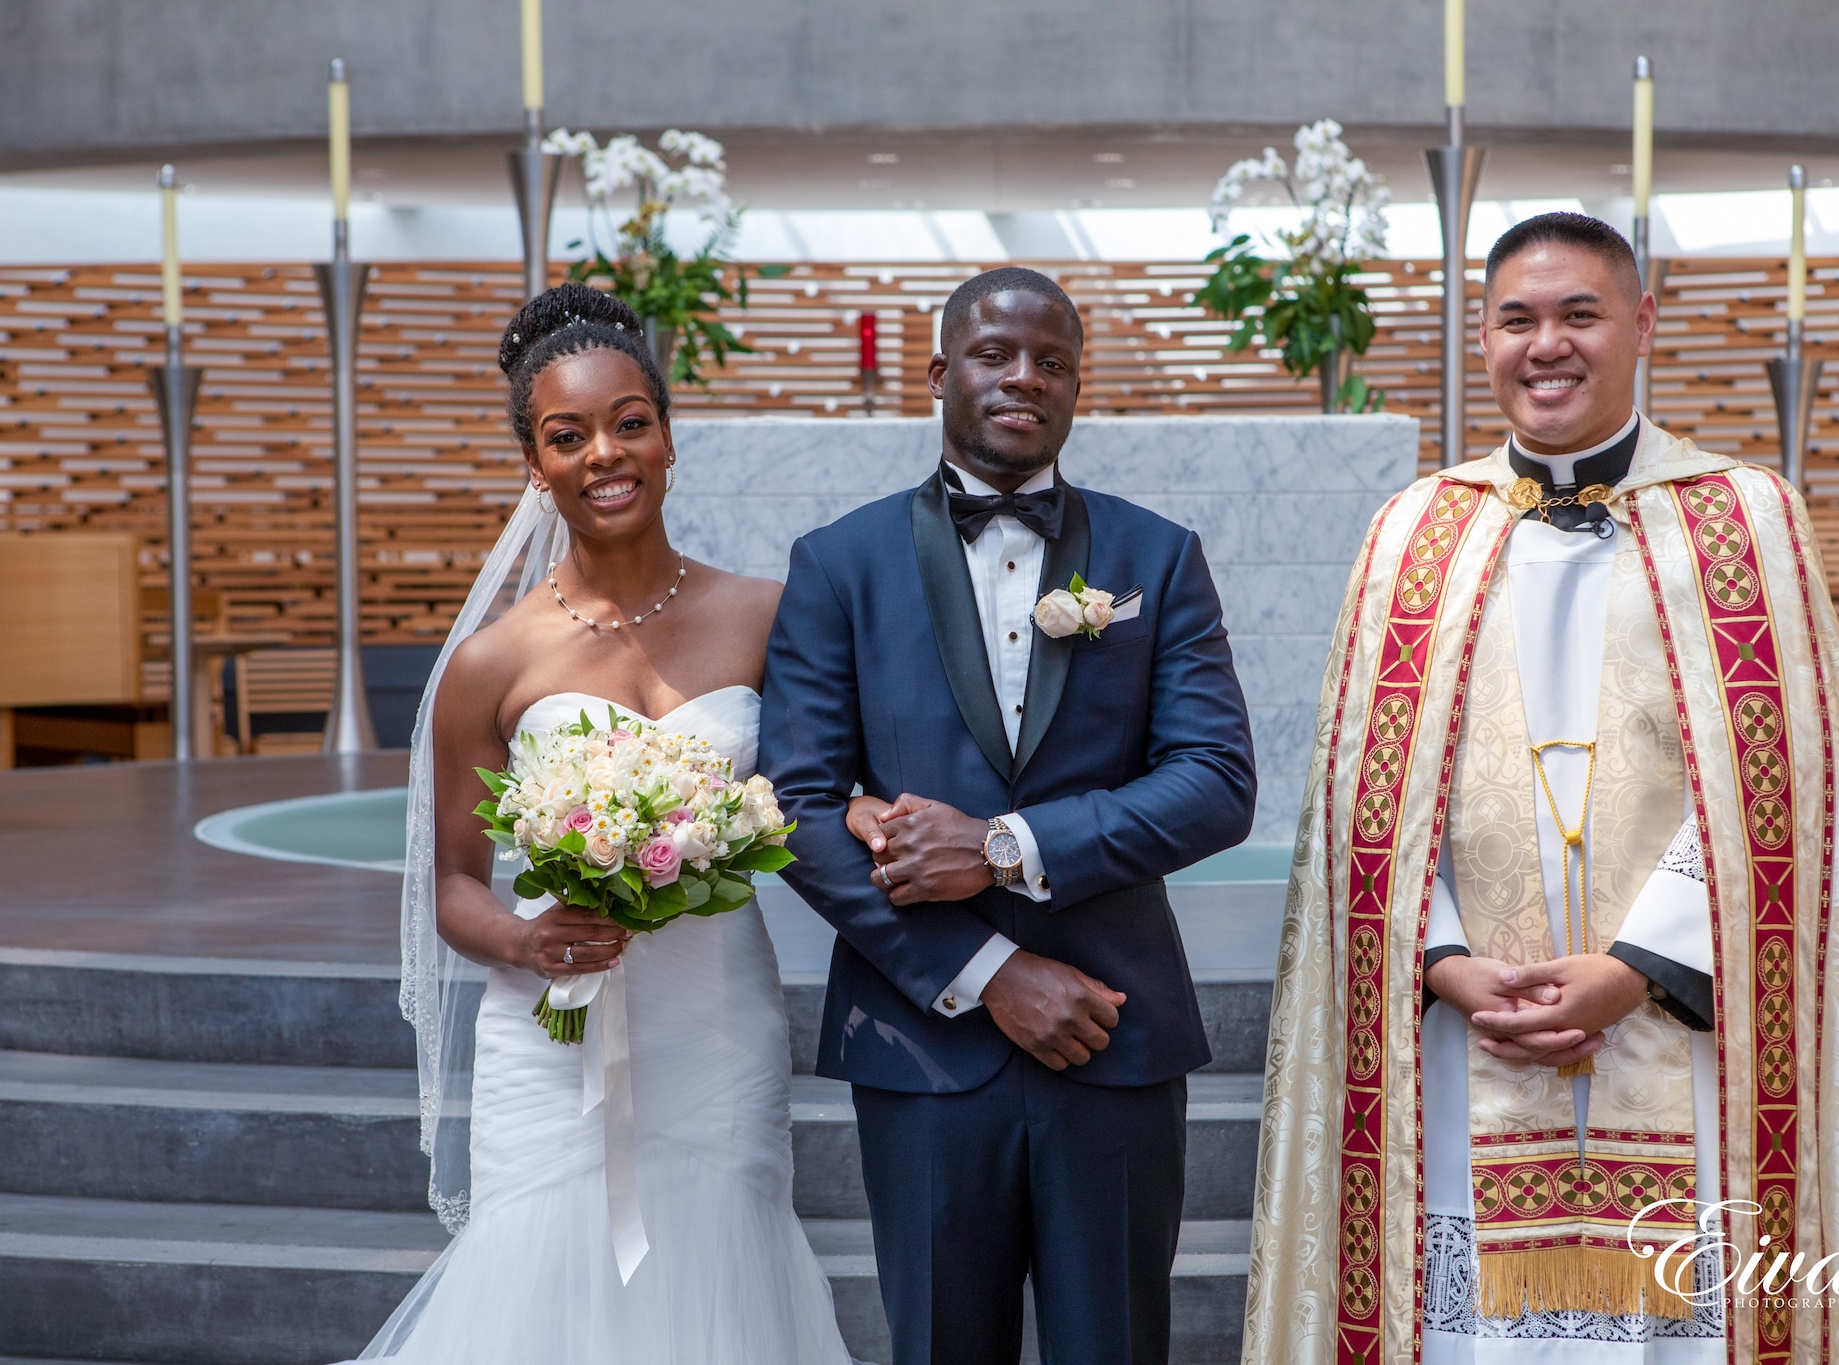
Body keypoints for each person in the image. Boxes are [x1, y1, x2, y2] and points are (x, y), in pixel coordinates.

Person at [1244, 214, 1839, 1364]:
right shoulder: (1413, 532)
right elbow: (1364, 805)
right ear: (1484, 335)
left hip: (1681, 1030)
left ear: (1640, 325)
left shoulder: (1745, 521)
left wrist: (1633, 970)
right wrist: (1448, 965)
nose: (1544, 345)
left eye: (1577, 315)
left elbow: (1781, 795)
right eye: (1516, 319)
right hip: (1466, 1042)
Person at [758, 266, 1257, 1365]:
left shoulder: (1154, 559)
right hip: (924, 1041)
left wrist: (1002, 849)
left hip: (1113, 1034)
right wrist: (988, 970)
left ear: (1077, 387)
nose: (1023, 378)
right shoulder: (838, 564)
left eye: (1052, 361)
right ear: (938, 374)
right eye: (993, 354)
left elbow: (1217, 779)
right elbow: (793, 809)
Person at [350, 282, 853, 1363]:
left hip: (714, 1016)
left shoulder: (767, 615)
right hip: (549, 1025)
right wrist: (527, 939)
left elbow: (828, 790)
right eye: (566, 436)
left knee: (722, 1265)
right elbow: (449, 883)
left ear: (667, 436)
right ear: (535, 465)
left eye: (629, 423)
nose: (604, 455)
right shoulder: (492, 660)